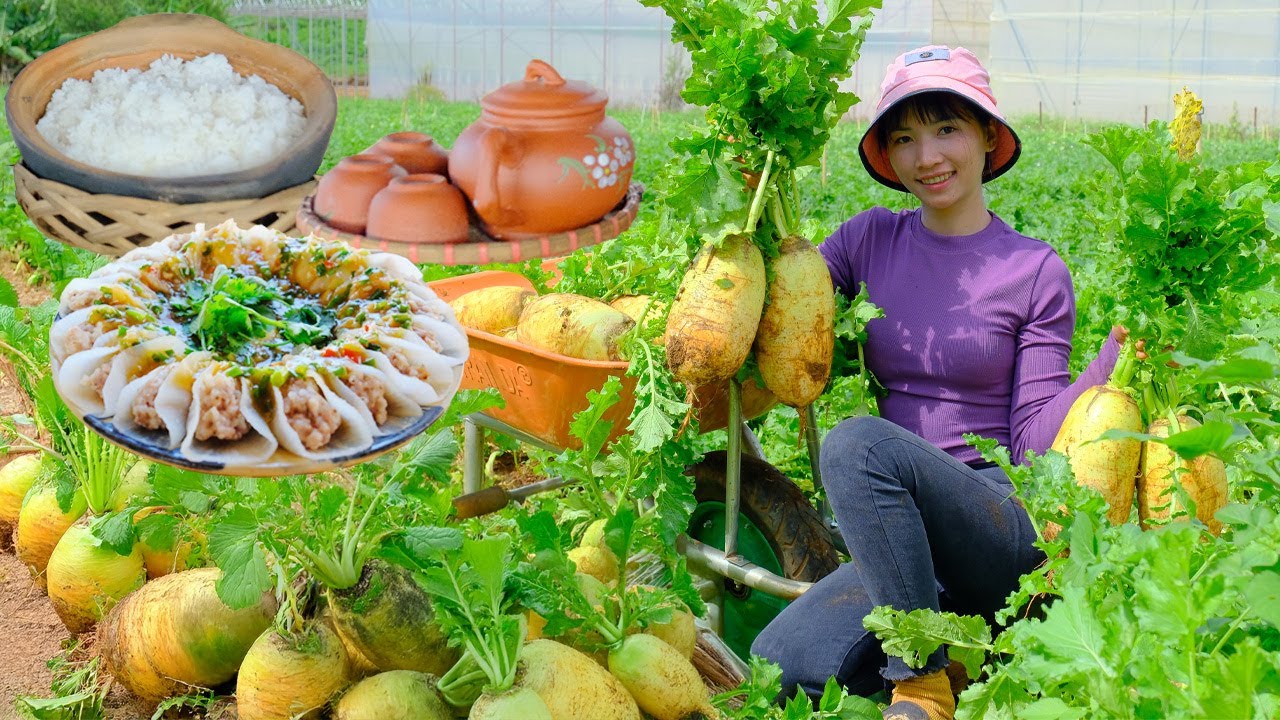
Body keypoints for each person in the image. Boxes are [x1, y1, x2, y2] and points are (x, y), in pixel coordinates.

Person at [749, 46, 1123, 720]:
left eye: (947, 128)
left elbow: (1035, 436)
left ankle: (920, 682)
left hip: (997, 526)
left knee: (856, 444)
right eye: (905, 138)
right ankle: (958, 645)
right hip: (900, 538)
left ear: (986, 135)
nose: (928, 157)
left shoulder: (1035, 270)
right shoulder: (866, 241)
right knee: (780, 667)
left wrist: (1110, 368)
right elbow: (788, 314)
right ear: (888, 157)